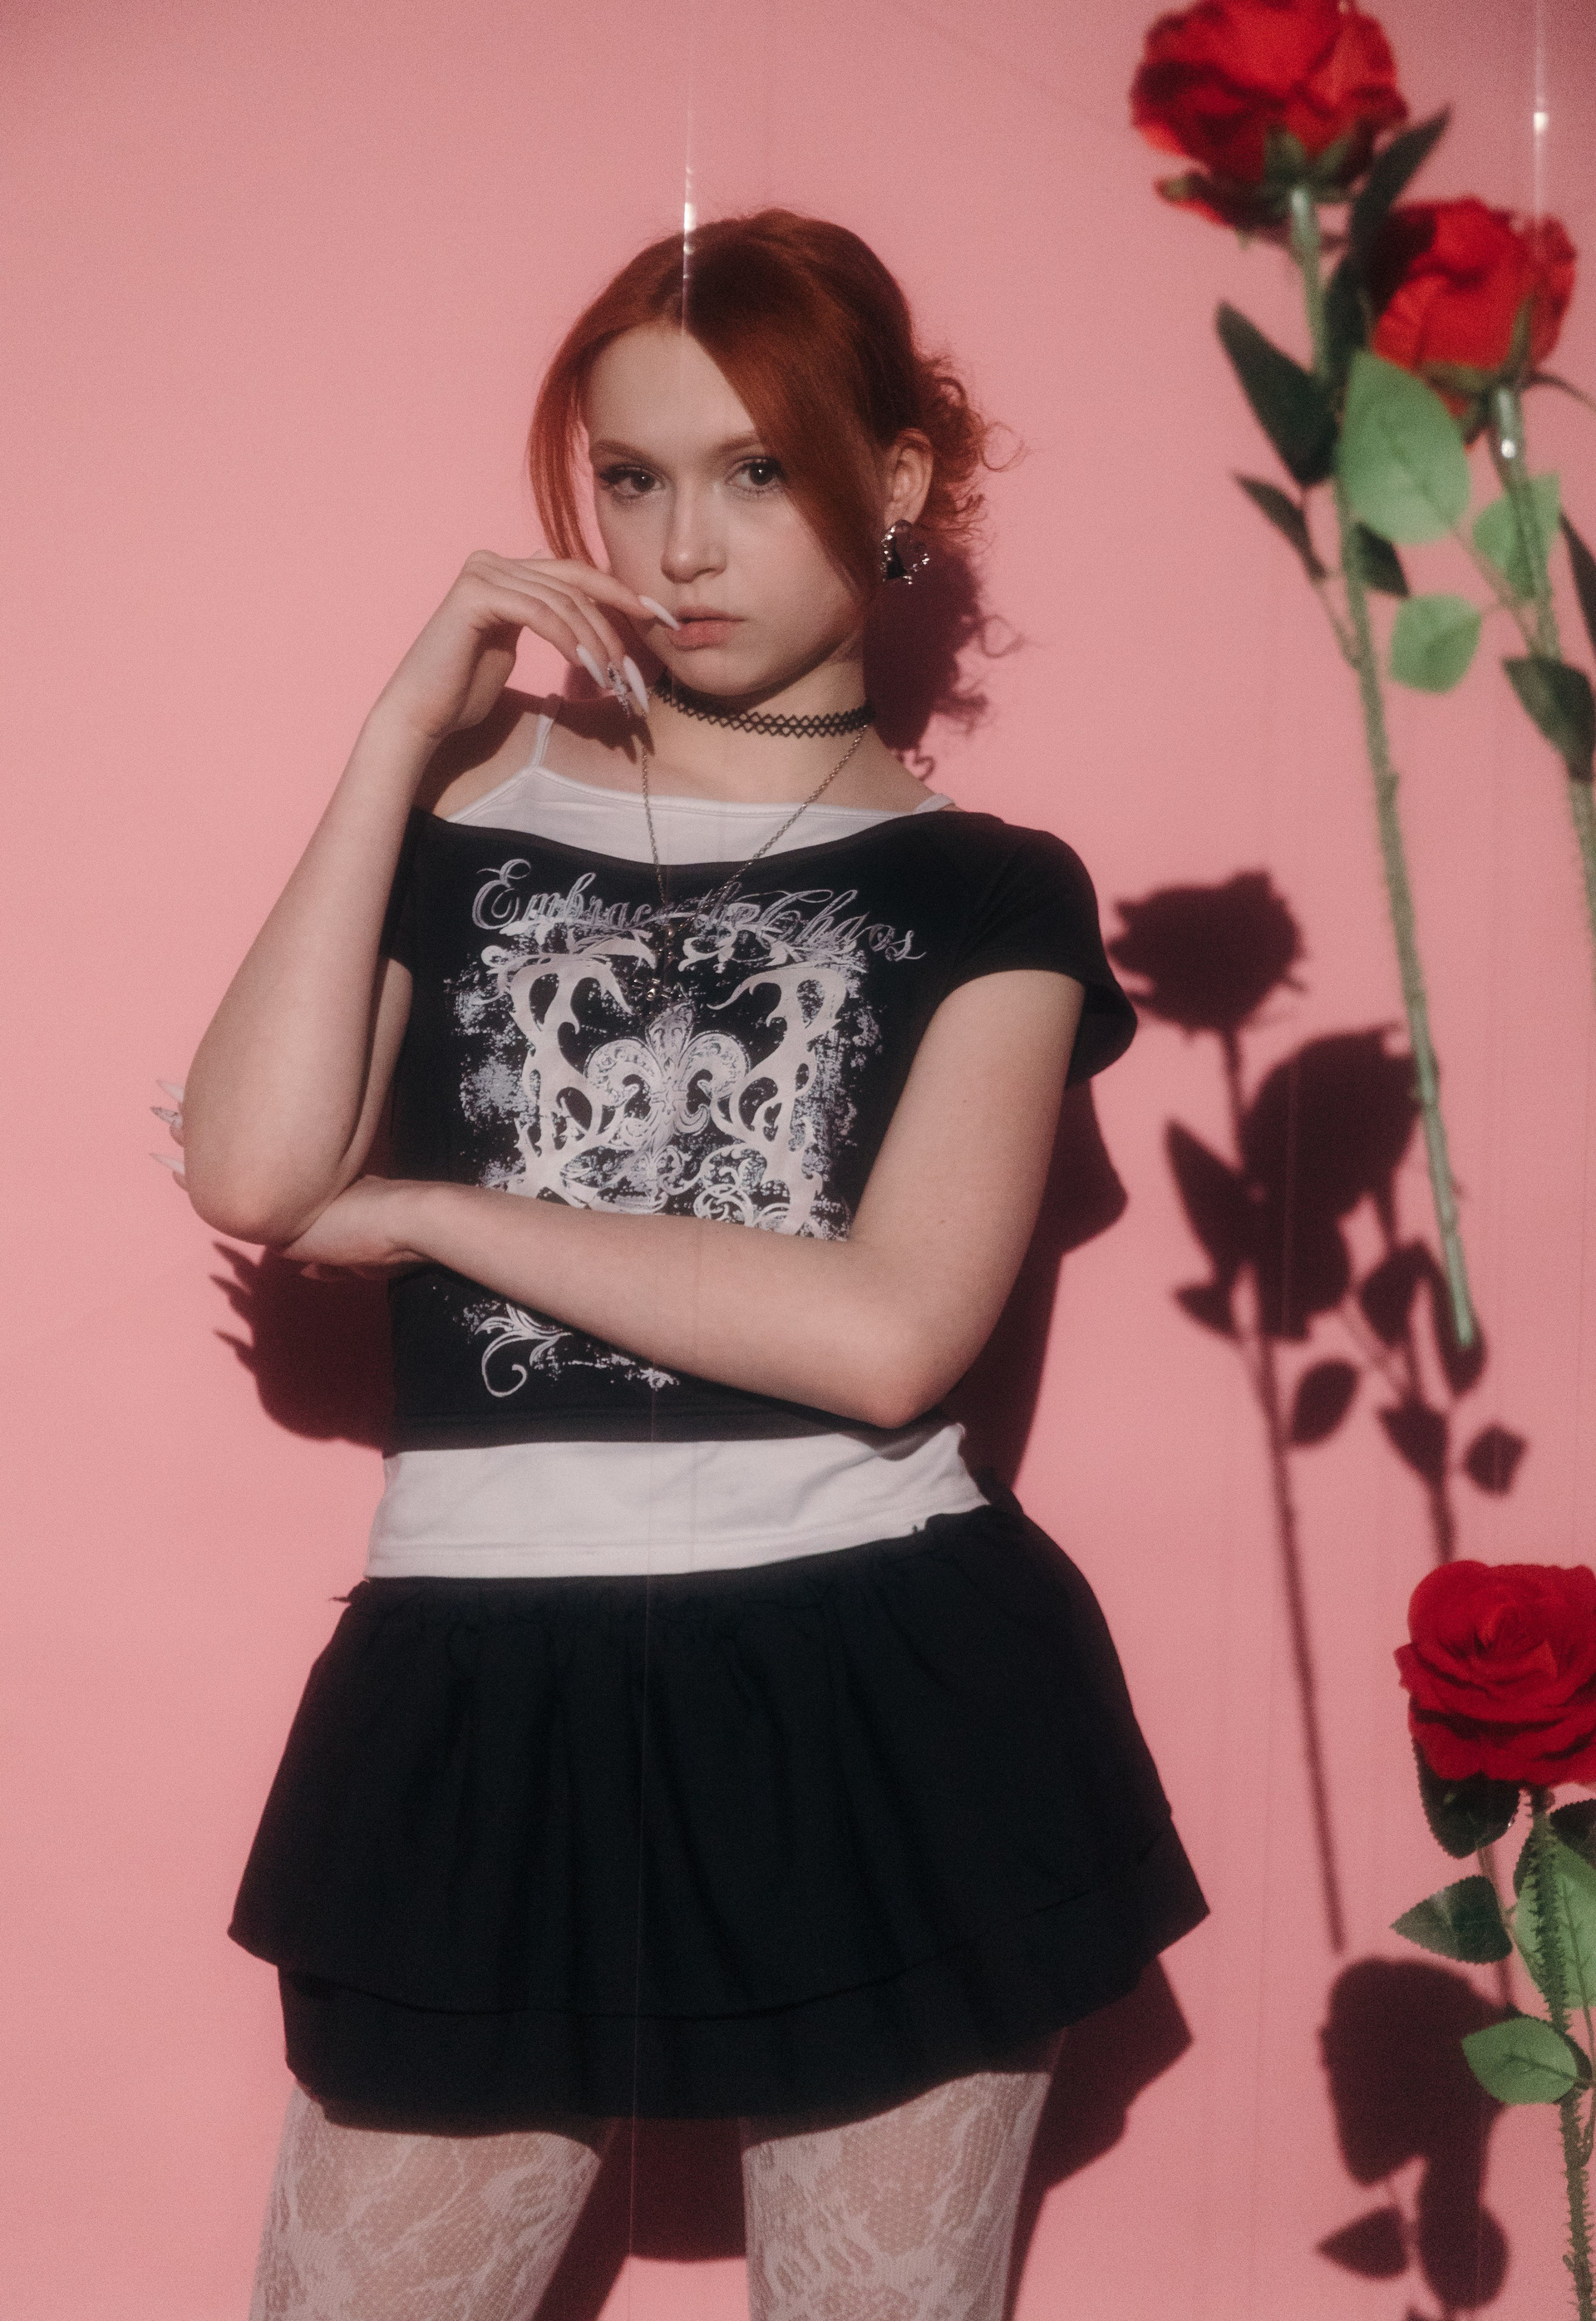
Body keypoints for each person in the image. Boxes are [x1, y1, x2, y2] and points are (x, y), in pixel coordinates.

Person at [170, 209, 1206, 2321]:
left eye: (754, 471)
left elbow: (891, 1337)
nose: (683, 545)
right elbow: (259, 1170)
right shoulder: (471, 803)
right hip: (477, 1683)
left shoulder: (992, 890)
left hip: (883, 1691)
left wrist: (439, 1212)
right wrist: (399, 736)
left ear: (893, 479)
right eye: (633, 478)